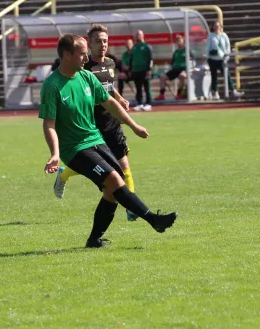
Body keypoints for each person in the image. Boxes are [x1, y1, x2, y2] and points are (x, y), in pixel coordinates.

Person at [39, 33, 177, 248]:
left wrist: (133, 125)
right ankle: (154, 220)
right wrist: (55, 154)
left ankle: (94, 240)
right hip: (73, 149)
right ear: (67, 55)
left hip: (95, 139)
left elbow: (110, 103)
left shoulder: (86, 77)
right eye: (82, 54)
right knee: (113, 179)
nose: (86, 59)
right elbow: (49, 124)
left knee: (112, 190)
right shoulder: (52, 85)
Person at [53, 25, 139, 222]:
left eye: (106, 41)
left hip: (112, 123)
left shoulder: (110, 63)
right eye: (98, 41)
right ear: (89, 44)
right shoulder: (83, 68)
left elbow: (108, 87)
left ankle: (131, 209)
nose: (103, 45)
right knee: (96, 169)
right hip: (92, 128)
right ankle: (63, 175)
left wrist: (119, 98)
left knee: (124, 164)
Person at [206, 21, 242, 100]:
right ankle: (215, 93)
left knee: (227, 75)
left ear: (221, 27)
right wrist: (208, 55)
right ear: (213, 27)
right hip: (213, 59)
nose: (217, 28)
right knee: (214, 76)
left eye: (218, 26)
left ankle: (233, 91)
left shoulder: (224, 35)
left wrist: (227, 56)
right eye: (215, 26)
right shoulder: (211, 35)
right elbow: (208, 46)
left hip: (222, 58)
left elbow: (227, 47)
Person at [154, 35, 191, 101]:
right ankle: (162, 95)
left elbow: (192, 60)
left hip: (183, 69)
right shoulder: (176, 52)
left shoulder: (187, 51)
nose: (178, 42)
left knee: (182, 76)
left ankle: (179, 94)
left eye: (179, 41)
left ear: (183, 41)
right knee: (162, 77)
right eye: (177, 41)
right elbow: (173, 61)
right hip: (175, 69)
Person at [130, 30, 153, 111]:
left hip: (144, 70)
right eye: (136, 35)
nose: (137, 36)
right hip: (136, 70)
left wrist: (149, 70)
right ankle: (139, 103)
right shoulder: (134, 47)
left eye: (139, 34)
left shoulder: (147, 47)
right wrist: (131, 69)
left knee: (147, 87)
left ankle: (148, 103)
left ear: (143, 35)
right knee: (138, 88)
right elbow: (131, 59)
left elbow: (150, 59)